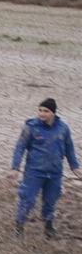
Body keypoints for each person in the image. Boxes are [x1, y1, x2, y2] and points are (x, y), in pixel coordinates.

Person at [10, 98, 79, 239]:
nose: (42, 114)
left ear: (53, 112)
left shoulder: (63, 128)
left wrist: (75, 167)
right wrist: (15, 168)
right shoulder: (31, 127)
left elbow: (69, 148)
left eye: (46, 111)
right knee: (27, 199)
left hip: (54, 172)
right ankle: (19, 228)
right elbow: (20, 147)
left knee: (51, 200)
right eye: (40, 110)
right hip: (34, 172)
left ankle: (49, 227)